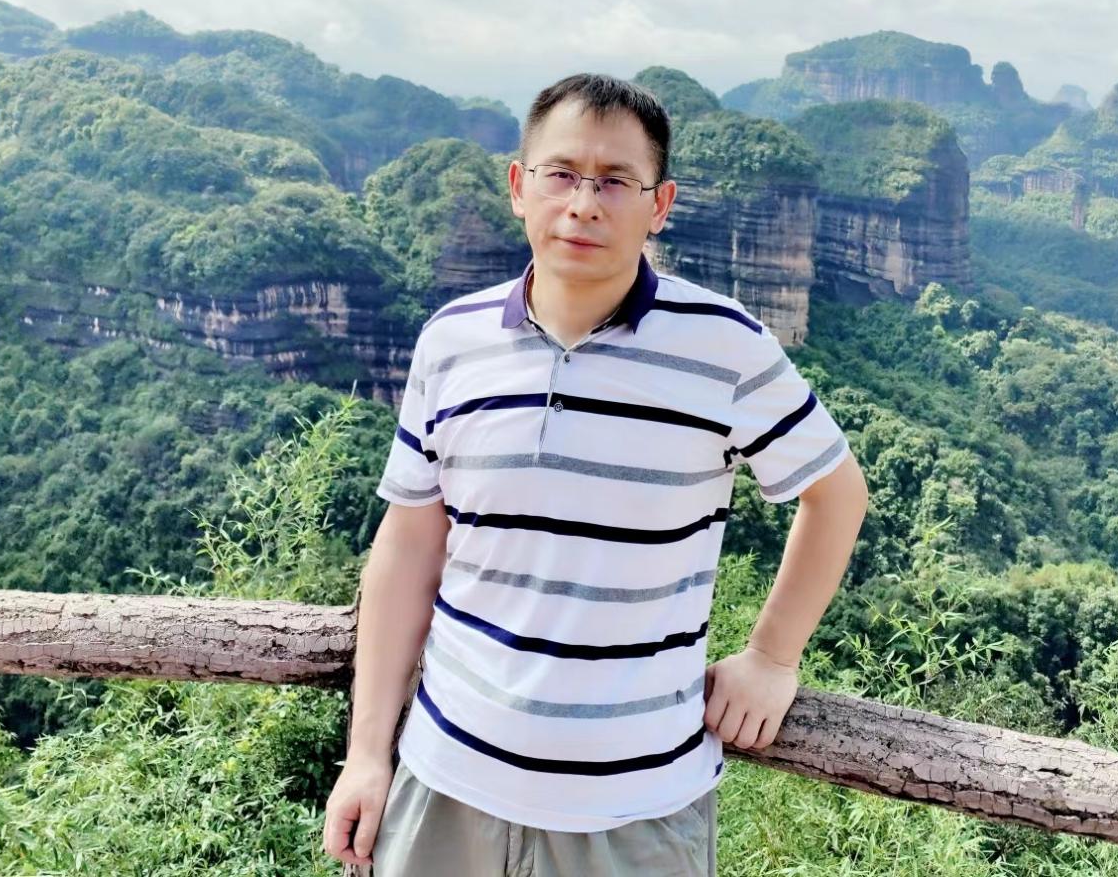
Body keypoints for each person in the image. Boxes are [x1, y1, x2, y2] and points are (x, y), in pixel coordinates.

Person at [322, 73, 869, 875]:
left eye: (615, 181)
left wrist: (771, 658)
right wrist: (368, 754)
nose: (583, 204)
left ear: (660, 205)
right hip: (444, 779)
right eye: (562, 174)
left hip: (633, 812)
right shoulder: (451, 340)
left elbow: (836, 492)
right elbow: (408, 544)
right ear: (519, 186)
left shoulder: (725, 346)